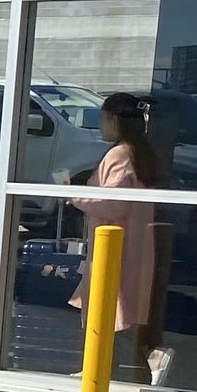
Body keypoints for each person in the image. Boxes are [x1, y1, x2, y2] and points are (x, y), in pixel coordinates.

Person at [65, 92, 162, 377]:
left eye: (102, 120)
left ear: (114, 120)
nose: (100, 128)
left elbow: (113, 204)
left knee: (108, 304)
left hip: (115, 243)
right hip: (133, 239)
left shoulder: (120, 154)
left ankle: (103, 367)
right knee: (121, 308)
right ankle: (126, 361)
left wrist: (75, 195)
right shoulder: (140, 152)